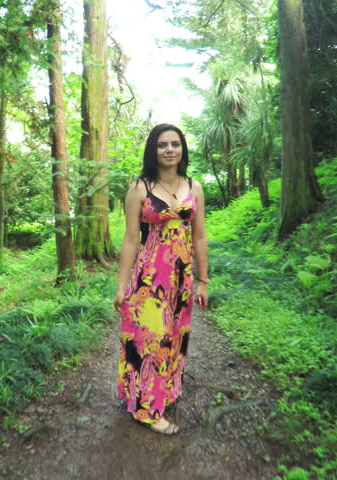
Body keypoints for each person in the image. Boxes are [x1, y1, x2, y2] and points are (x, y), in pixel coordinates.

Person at [114, 123, 209, 435]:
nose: (170, 149)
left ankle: (164, 392)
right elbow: (130, 239)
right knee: (150, 340)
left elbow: (200, 237)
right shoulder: (140, 187)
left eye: (175, 144)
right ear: (152, 151)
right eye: (162, 145)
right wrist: (121, 284)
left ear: (182, 149)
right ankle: (148, 410)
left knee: (175, 338)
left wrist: (203, 280)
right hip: (149, 275)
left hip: (182, 277)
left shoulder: (194, 187)